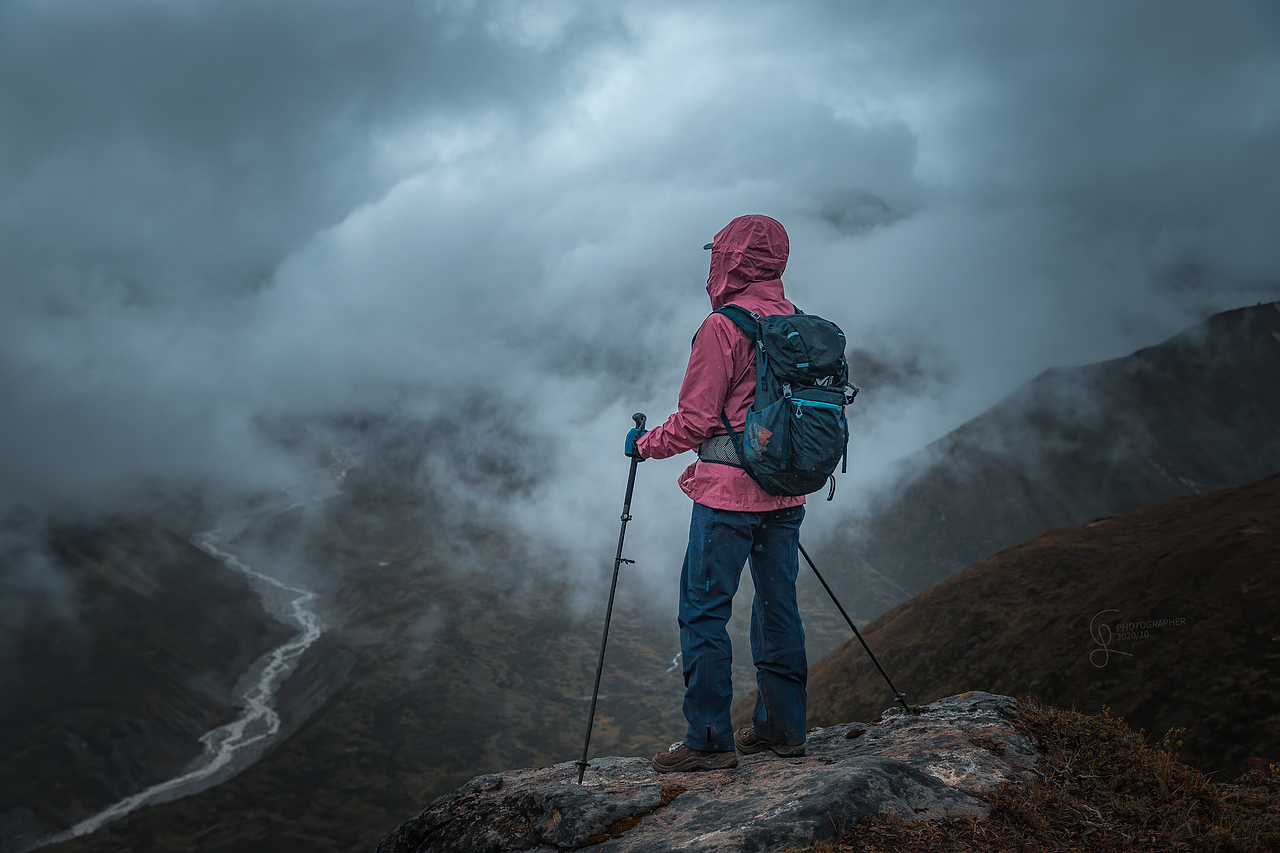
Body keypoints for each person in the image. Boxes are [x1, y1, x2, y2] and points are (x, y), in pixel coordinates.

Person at [626, 214, 808, 773]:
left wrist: (642, 445)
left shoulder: (722, 328)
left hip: (727, 496)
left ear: (727, 260)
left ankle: (708, 742)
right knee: (779, 606)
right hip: (786, 492)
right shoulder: (800, 323)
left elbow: (697, 421)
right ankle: (784, 728)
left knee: (704, 612)